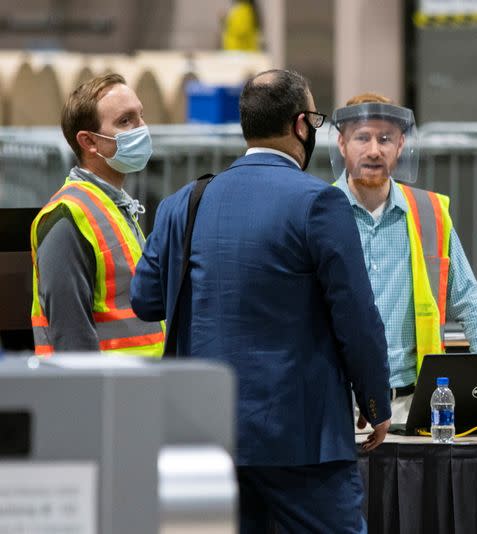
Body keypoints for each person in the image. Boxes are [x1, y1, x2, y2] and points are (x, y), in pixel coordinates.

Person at [130, 69, 391, 534]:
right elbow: (356, 317)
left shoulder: (181, 204)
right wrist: (376, 403)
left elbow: (145, 299)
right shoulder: (319, 203)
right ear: (300, 125)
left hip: (205, 435)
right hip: (302, 440)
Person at [329, 92, 477, 424]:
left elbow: (468, 301)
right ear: (342, 144)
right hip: (338, 403)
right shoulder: (320, 211)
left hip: (413, 403)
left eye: (385, 138)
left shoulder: (428, 213)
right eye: (362, 137)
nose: (374, 150)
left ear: (401, 145)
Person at [30, 73, 164, 356]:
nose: (142, 129)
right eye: (125, 121)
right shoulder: (67, 216)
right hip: (105, 395)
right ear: (89, 141)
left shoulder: (114, 207)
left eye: (140, 116)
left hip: (137, 391)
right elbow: (71, 337)